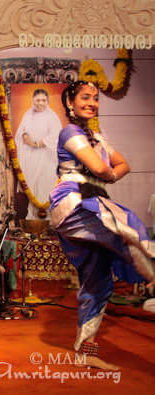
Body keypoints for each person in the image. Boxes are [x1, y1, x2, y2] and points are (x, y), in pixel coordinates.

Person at [50, 80, 155, 370]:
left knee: (98, 281)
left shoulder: (96, 136)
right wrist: (106, 174)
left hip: (91, 203)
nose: (92, 103)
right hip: (74, 204)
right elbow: (100, 169)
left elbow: (124, 165)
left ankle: (86, 351)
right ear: (70, 103)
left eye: (95, 99)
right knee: (131, 228)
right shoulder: (69, 131)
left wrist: (106, 174)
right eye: (85, 97)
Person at [14, 88, 61, 219]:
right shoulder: (28, 114)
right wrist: (24, 136)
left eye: (43, 100)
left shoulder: (52, 116)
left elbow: (55, 137)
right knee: (31, 186)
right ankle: (32, 219)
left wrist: (35, 144)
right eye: (38, 100)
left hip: (47, 158)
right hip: (31, 157)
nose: (40, 103)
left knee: (45, 186)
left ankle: (48, 221)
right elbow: (20, 133)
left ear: (48, 101)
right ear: (33, 100)